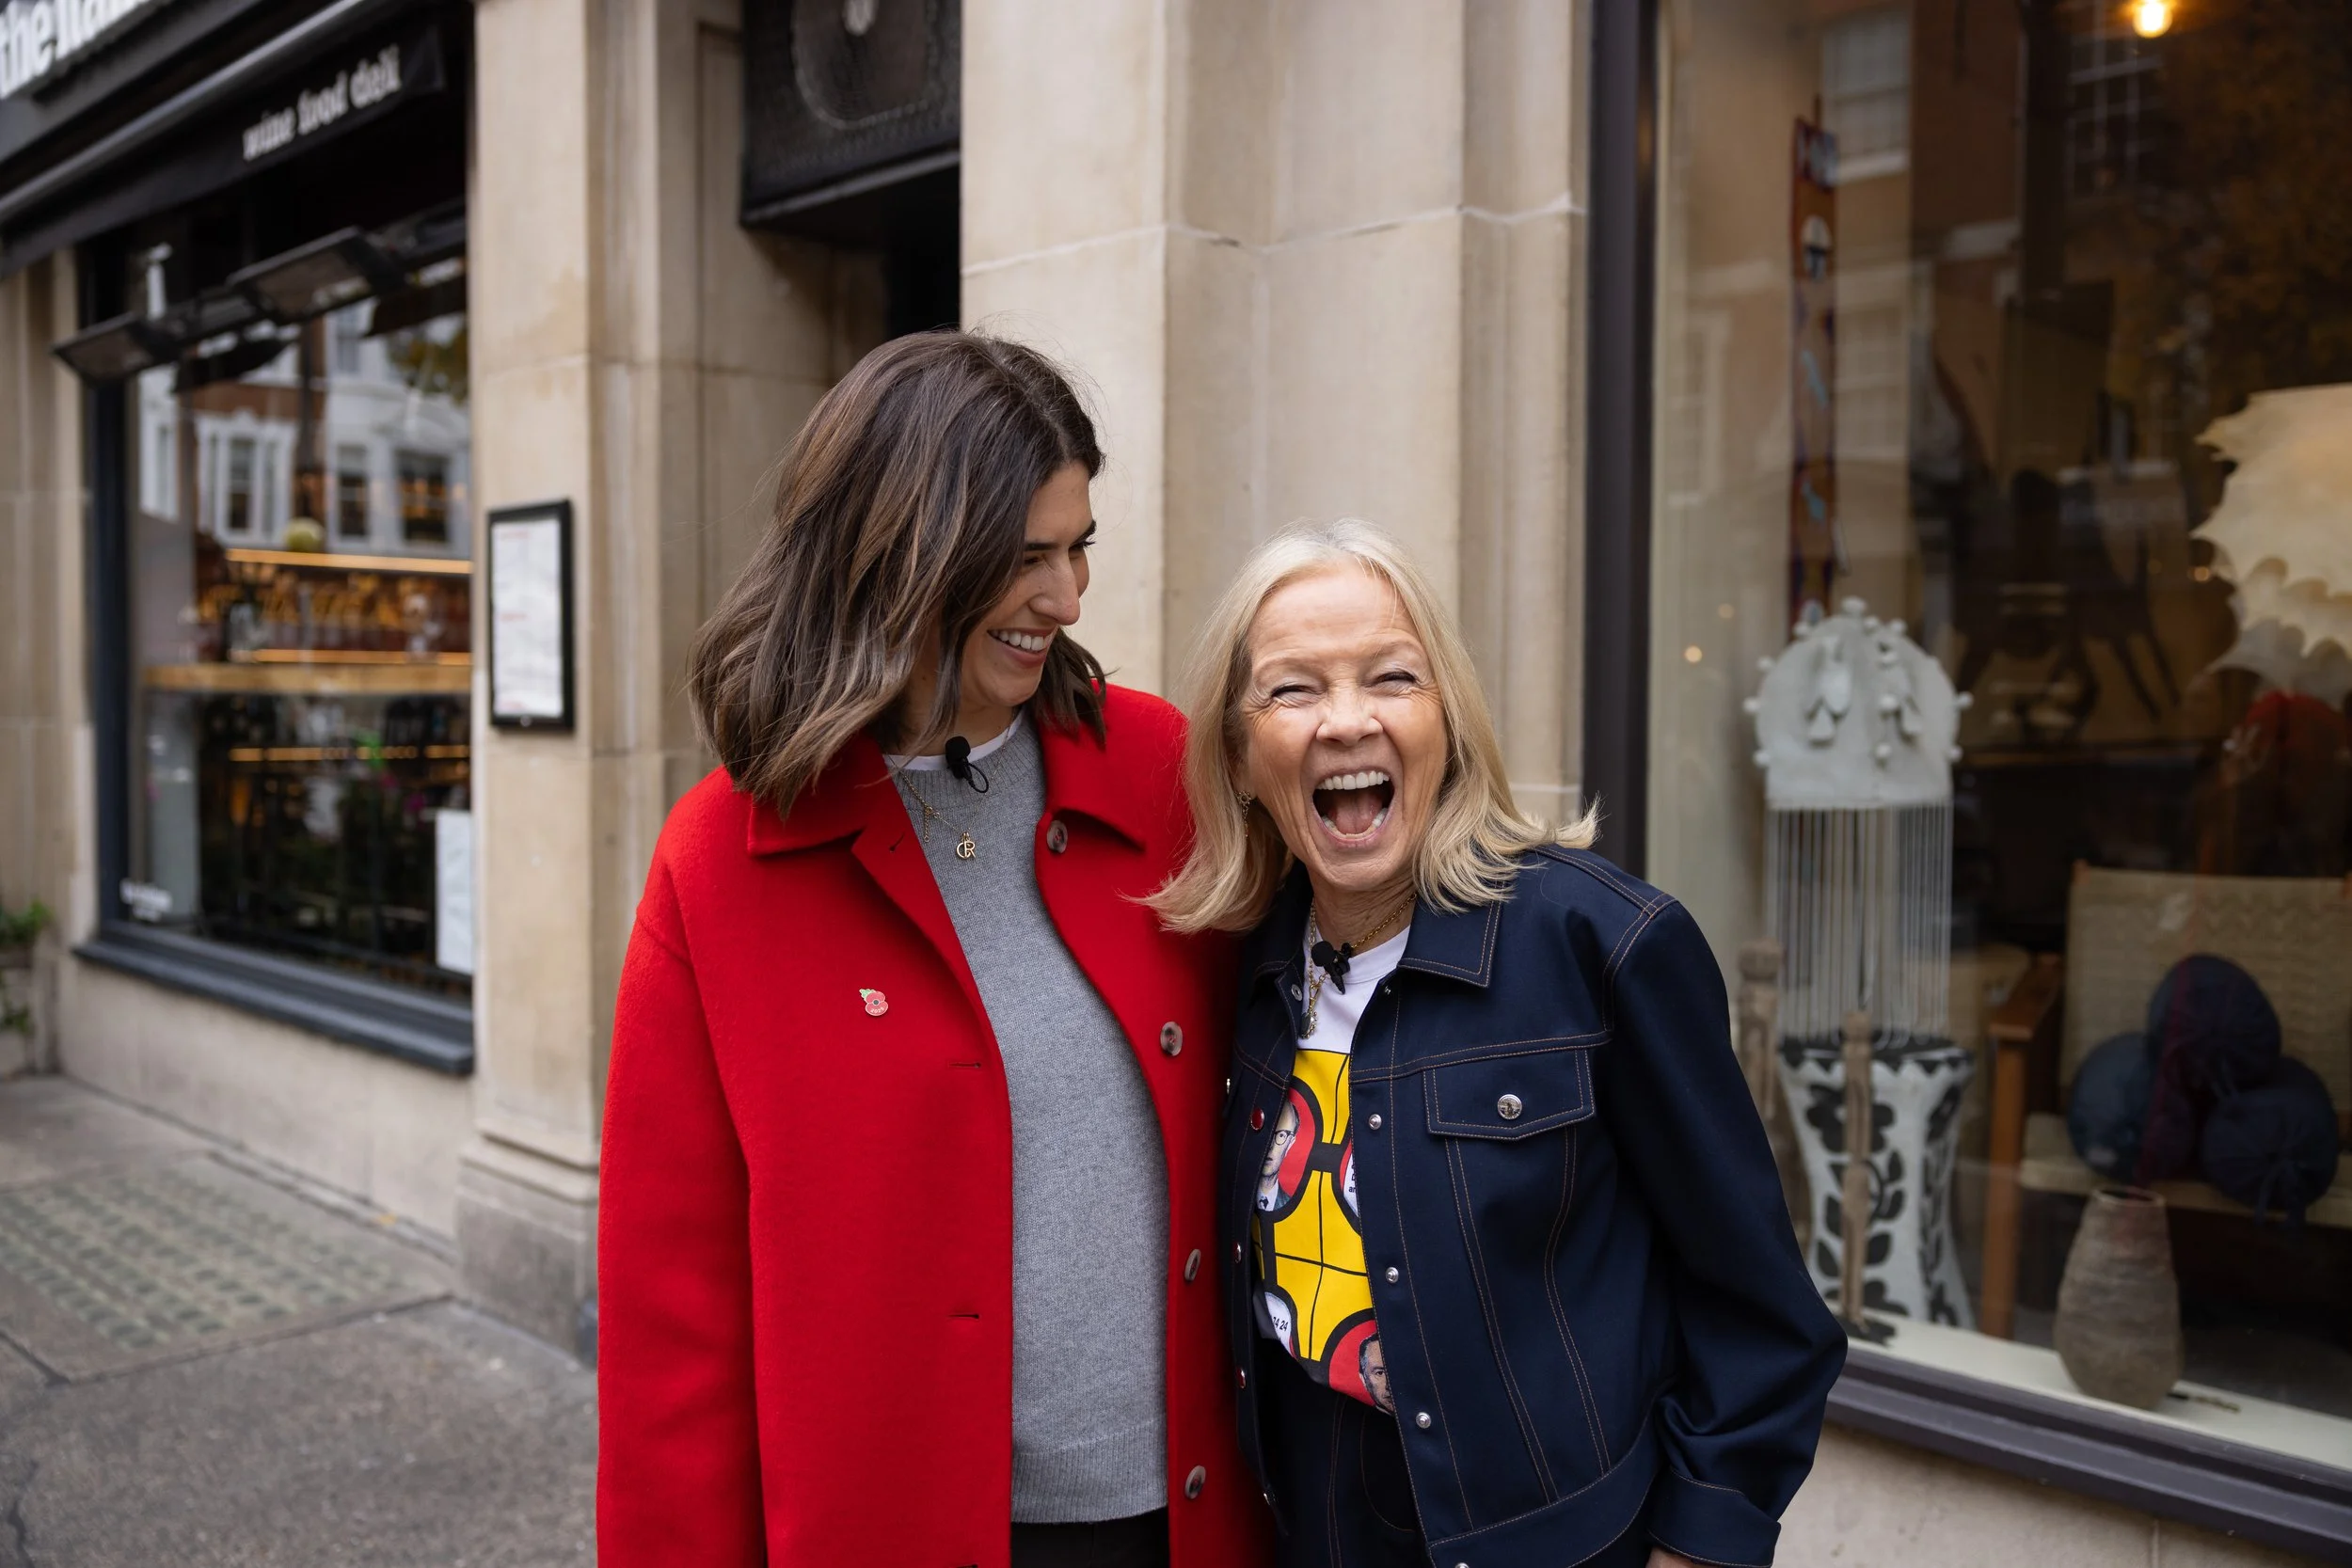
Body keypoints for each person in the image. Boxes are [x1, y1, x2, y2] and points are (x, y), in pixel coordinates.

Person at [597, 332, 1270, 1568]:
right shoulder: (723, 861)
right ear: (902, 555)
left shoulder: (1159, 770)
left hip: (1186, 1518)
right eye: (1025, 559)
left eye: (1079, 549)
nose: (1069, 599)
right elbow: (670, 1328)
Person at [1151, 520, 1846, 1568]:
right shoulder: (1244, 966)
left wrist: (1700, 1545)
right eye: (1293, 689)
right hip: (1305, 1522)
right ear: (1242, 756)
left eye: (1392, 676)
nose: (1347, 720)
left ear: (1449, 723)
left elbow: (1761, 1309)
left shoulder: (1601, 944)